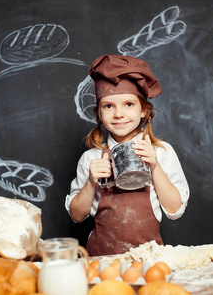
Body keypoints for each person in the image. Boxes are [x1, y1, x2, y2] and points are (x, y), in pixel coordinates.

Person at [65, 55, 190, 256]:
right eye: (109, 106)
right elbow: (77, 215)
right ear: (99, 114)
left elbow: (175, 210)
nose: (118, 114)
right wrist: (90, 182)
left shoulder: (161, 152)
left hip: (150, 258)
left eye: (128, 104)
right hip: (102, 259)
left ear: (143, 110)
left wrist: (155, 167)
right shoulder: (92, 158)